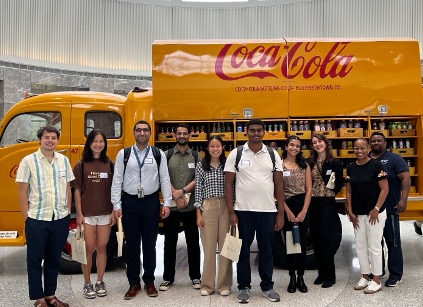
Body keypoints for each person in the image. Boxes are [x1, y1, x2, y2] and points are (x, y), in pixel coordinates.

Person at [224, 118, 285, 304]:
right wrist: (231, 212)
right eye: (252, 130)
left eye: (259, 130)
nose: (256, 133)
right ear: (247, 132)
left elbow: (279, 185)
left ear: (264, 132)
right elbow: (228, 183)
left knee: (267, 250)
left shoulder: (273, 155)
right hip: (243, 211)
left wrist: (280, 213)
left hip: (267, 211)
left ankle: (267, 286)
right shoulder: (237, 153)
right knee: (242, 251)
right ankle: (244, 287)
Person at [111, 120, 172, 300]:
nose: (142, 133)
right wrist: (117, 204)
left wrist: (167, 202)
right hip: (129, 203)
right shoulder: (124, 154)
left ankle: (150, 281)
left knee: (150, 245)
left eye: (145, 130)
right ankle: (134, 283)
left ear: (150, 133)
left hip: (151, 203)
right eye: (139, 130)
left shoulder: (158, 154)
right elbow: (117, 181)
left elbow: (165, 179)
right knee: (132, 246)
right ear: (134, 133)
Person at [16, 126, 74, 307]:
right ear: (40, 139)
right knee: (34, 259)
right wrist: (27, 216)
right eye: (47, 137)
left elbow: (68, 188)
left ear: (57, 140)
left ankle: (50, 295)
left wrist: (67, 211)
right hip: (37, 219)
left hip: (60, 218)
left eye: (54, 138)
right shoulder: (28, 161)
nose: (50, 140)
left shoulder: (64, 161)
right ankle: (38, 298)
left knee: (53, 259)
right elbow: (22, 191)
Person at [72, 129, 116, 299]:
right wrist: (79, 213)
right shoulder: (81, 164)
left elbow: (115, 189)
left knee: (102, 247)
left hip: (105, 213)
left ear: (105, 144)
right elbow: (76, 190)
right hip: (88, 214)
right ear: (89, 143)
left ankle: (100, 281)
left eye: (101, 141)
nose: (98, 144)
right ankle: (87, 283)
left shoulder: (110, 164)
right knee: (88, 249)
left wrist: (113, 211)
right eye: (95, 141)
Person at [159, 123, 201, 291]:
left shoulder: (196, 156)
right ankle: (168, 278)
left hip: (190, 208)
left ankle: (196, 276)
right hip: (172, 208)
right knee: (169, 243)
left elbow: (198, 179)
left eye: (185, 133)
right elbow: (163, 177)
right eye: (179, 133)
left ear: (189, 135)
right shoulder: (167, 155)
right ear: (175, 135)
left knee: (193, 243)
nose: (182, 136)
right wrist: (174, 194)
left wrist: (182, 192)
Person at [346, 138, 389, 294]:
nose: (360, 151)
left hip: (374, 214)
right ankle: (365, 277)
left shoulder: (377, 165)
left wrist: (376, 208)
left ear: (368, 148)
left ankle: (376, 280)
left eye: (363, 147)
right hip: (358, 214)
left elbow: (385, 190)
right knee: (361, 246)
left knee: (374, 247)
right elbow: (349, 192)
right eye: (357, 148)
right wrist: (350, 212)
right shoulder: (351, 168)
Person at [369, 132, 411, 287]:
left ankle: (396, 274)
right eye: (373, 141)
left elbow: (405, 178)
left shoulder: (394, 159)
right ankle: (378, 272)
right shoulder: (366, 158)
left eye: (379, 140)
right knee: (375, 243)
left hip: (390, 208)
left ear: (385, 143)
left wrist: (404, 198)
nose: (376, 143)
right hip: (372, 211)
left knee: (393, 242)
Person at [194, 135, 232, 296]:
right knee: (209, 248)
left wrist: (233, 211)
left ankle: (224, 285)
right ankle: (207, 285)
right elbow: (198, 190)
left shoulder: (228, 164)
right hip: (208, 206)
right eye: (212, 146)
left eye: (218, 146)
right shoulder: (201, 166)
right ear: (207, 148)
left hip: (226, 206)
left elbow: (234, 187)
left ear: (222, 148)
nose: (215, 149)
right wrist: (198, 213)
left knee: (226, 248)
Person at [308, 133, 343, 288]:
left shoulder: (334, 162)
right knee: (316, 239)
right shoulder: (310, 162)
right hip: (313, 202)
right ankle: (321, 274)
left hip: (327, 203)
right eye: (314, 142)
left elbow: (339, 183)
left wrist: (328, 193)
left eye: (320, 141)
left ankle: (330, 275)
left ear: (326, 143)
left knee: (326, 239)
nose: (317, 144)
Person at [281, 135, 312, 294]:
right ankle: (292, 277)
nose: (294, 148)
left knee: (302, 244)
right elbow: (277, 191)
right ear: (286, 147)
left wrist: (304, 211)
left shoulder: (304, 165)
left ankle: (301, 277)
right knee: (291, 245)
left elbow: (309, 190)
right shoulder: (279, 166)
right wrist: (287, 211)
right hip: (287, 207)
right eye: (291, 145)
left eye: (297, 146)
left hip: (302, 206)